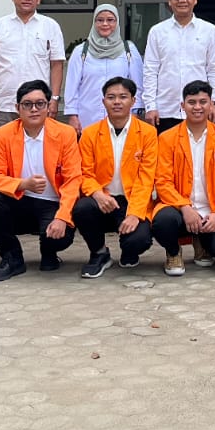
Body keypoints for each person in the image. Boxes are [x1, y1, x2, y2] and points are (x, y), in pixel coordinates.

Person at [0, 79, 83, 282]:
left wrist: (62, 217)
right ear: (17, 108)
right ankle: (12, 257)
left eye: (40, 104)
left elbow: (73, 180)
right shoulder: (4, 133)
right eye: (27, 104)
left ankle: (49, 252)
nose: (34, 109)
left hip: (52, 203)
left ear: (49, 106)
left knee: (59, 237)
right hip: (19, 200)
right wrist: (22, 184)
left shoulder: (65, 134)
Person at [71, 75, 159, 279]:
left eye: (123, 97)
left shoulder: (148, 133)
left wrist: (134, 213)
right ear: (103, 101)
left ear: (133, 101)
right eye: (111, 97)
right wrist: (97, 194)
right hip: (103, 198)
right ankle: (99, 253)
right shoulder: (90, 133)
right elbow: (85, 172)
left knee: (139, 240)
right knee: (82, 208)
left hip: (131, 199)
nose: (117, 102)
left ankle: (129, 250)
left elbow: (146, 178)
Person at [152, 80, 215, 275]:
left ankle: (202, 243)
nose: (197, 107)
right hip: (179, 209)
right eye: (192, 102)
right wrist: (185, 207)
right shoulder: (167, 138)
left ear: (211, 104)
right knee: (163, 221)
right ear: (182, 106)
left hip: (212, 211)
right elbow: (163, 181)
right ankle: (173, 252)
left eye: (203, 102)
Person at [140, 0, 215, 131]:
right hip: (165, 109)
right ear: (169, 0)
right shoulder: (157, 32)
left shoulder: (209, 30)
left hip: (199, 108)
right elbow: (150, 71)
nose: (182, 0)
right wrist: (150, 106)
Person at [0, 0, 65, 126]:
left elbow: (57, 65)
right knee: (3, 141)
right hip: (4, 105)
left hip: (38, 106)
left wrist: (54, 99)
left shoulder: (50, 26)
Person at [63, 4, 144, 132]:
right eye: (100, 20)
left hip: (122, 118)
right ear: (94, 23)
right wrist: (73, 115)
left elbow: (138, 85)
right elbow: (72, 87)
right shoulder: (81, 51)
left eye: (110, 20)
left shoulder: (129, 50)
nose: (105, 24)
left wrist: (136, 112)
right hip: (88, 118)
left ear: (117, 22)